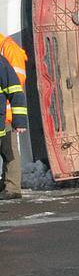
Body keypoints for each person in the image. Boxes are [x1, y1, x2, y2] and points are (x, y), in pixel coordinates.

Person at [0, 52, 27, 200]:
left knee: (9, 153)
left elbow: (16, 91)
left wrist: (20, 121)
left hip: (4, 121)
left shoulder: (1, 62)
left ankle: (12, 188)